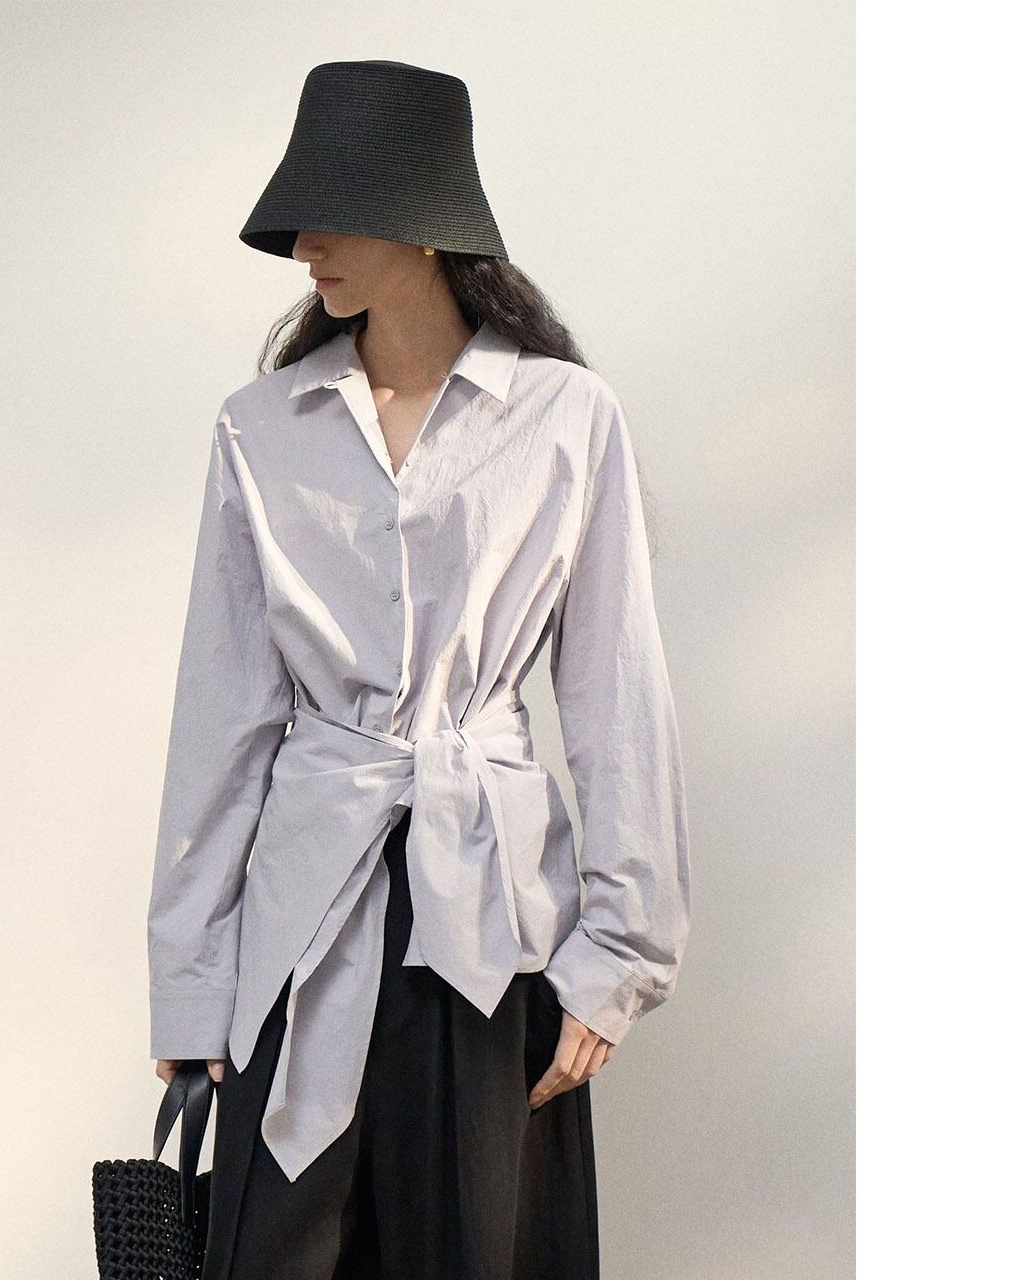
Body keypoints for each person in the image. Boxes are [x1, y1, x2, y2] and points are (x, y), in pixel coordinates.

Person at [146, 59, 691, 1280]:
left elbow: (615, 697)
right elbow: (221, 715)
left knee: (473, 1246)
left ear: (426, 224)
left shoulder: (565, 415)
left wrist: (615, 959)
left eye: (331, 215)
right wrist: (189, 978)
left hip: (489, 923)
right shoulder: (258, 428)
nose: (304, 249)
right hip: (302, 914)